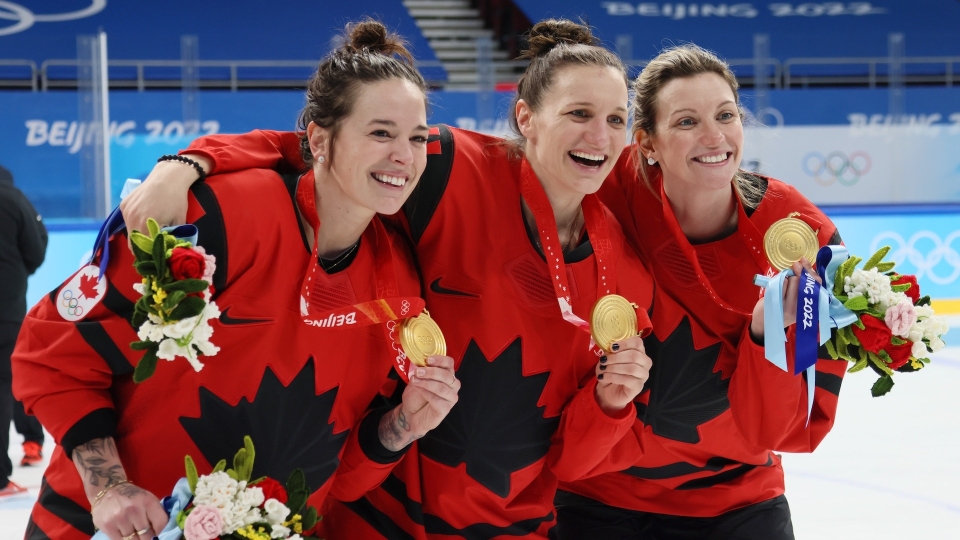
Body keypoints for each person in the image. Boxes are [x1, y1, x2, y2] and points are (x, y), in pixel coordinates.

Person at [119, 20, 656, 539]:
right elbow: (327, 148)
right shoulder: (452, 167)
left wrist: (612, 403)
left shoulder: (624, 278)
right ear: (526, 117)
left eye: (615, 118)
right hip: (377, 517)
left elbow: (574, 464)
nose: (598, 135)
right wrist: (187, 162)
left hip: (511, 527)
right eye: (579, 113)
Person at [12, 21, 460, 540]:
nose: (403, 155)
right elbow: (52, 355)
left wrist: (402, 425)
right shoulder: (225, 216)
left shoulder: (399, 287)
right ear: (319, 138)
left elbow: (337, 481)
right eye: (380, 132)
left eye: (418, 137)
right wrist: (108, 489)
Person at [553, 44, 848, 539]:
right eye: (686, 122)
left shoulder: (799, 232)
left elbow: (783, 429)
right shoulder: (600, 200)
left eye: (726, 115)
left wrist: (765, 333)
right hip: (598, 499)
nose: (714, 136)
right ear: (647, 142)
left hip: (741, 505)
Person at [0, 164, 47, 496]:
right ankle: (31, 442)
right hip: (6, 308)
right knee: (9, 380)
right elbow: (36, 249)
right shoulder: (14, 199)